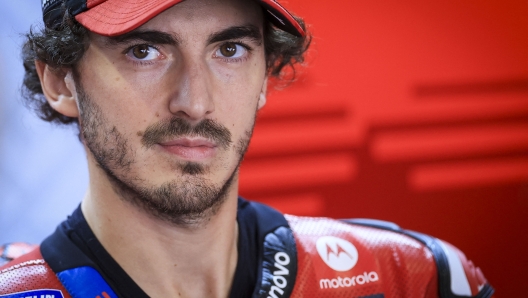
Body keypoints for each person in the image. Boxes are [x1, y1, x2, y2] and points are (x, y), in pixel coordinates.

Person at [0, 0, 494, 297]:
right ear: (60, 81)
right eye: (144, 51)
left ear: (265, 75)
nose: (195, 102)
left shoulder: (413, 278)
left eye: (229, 50)